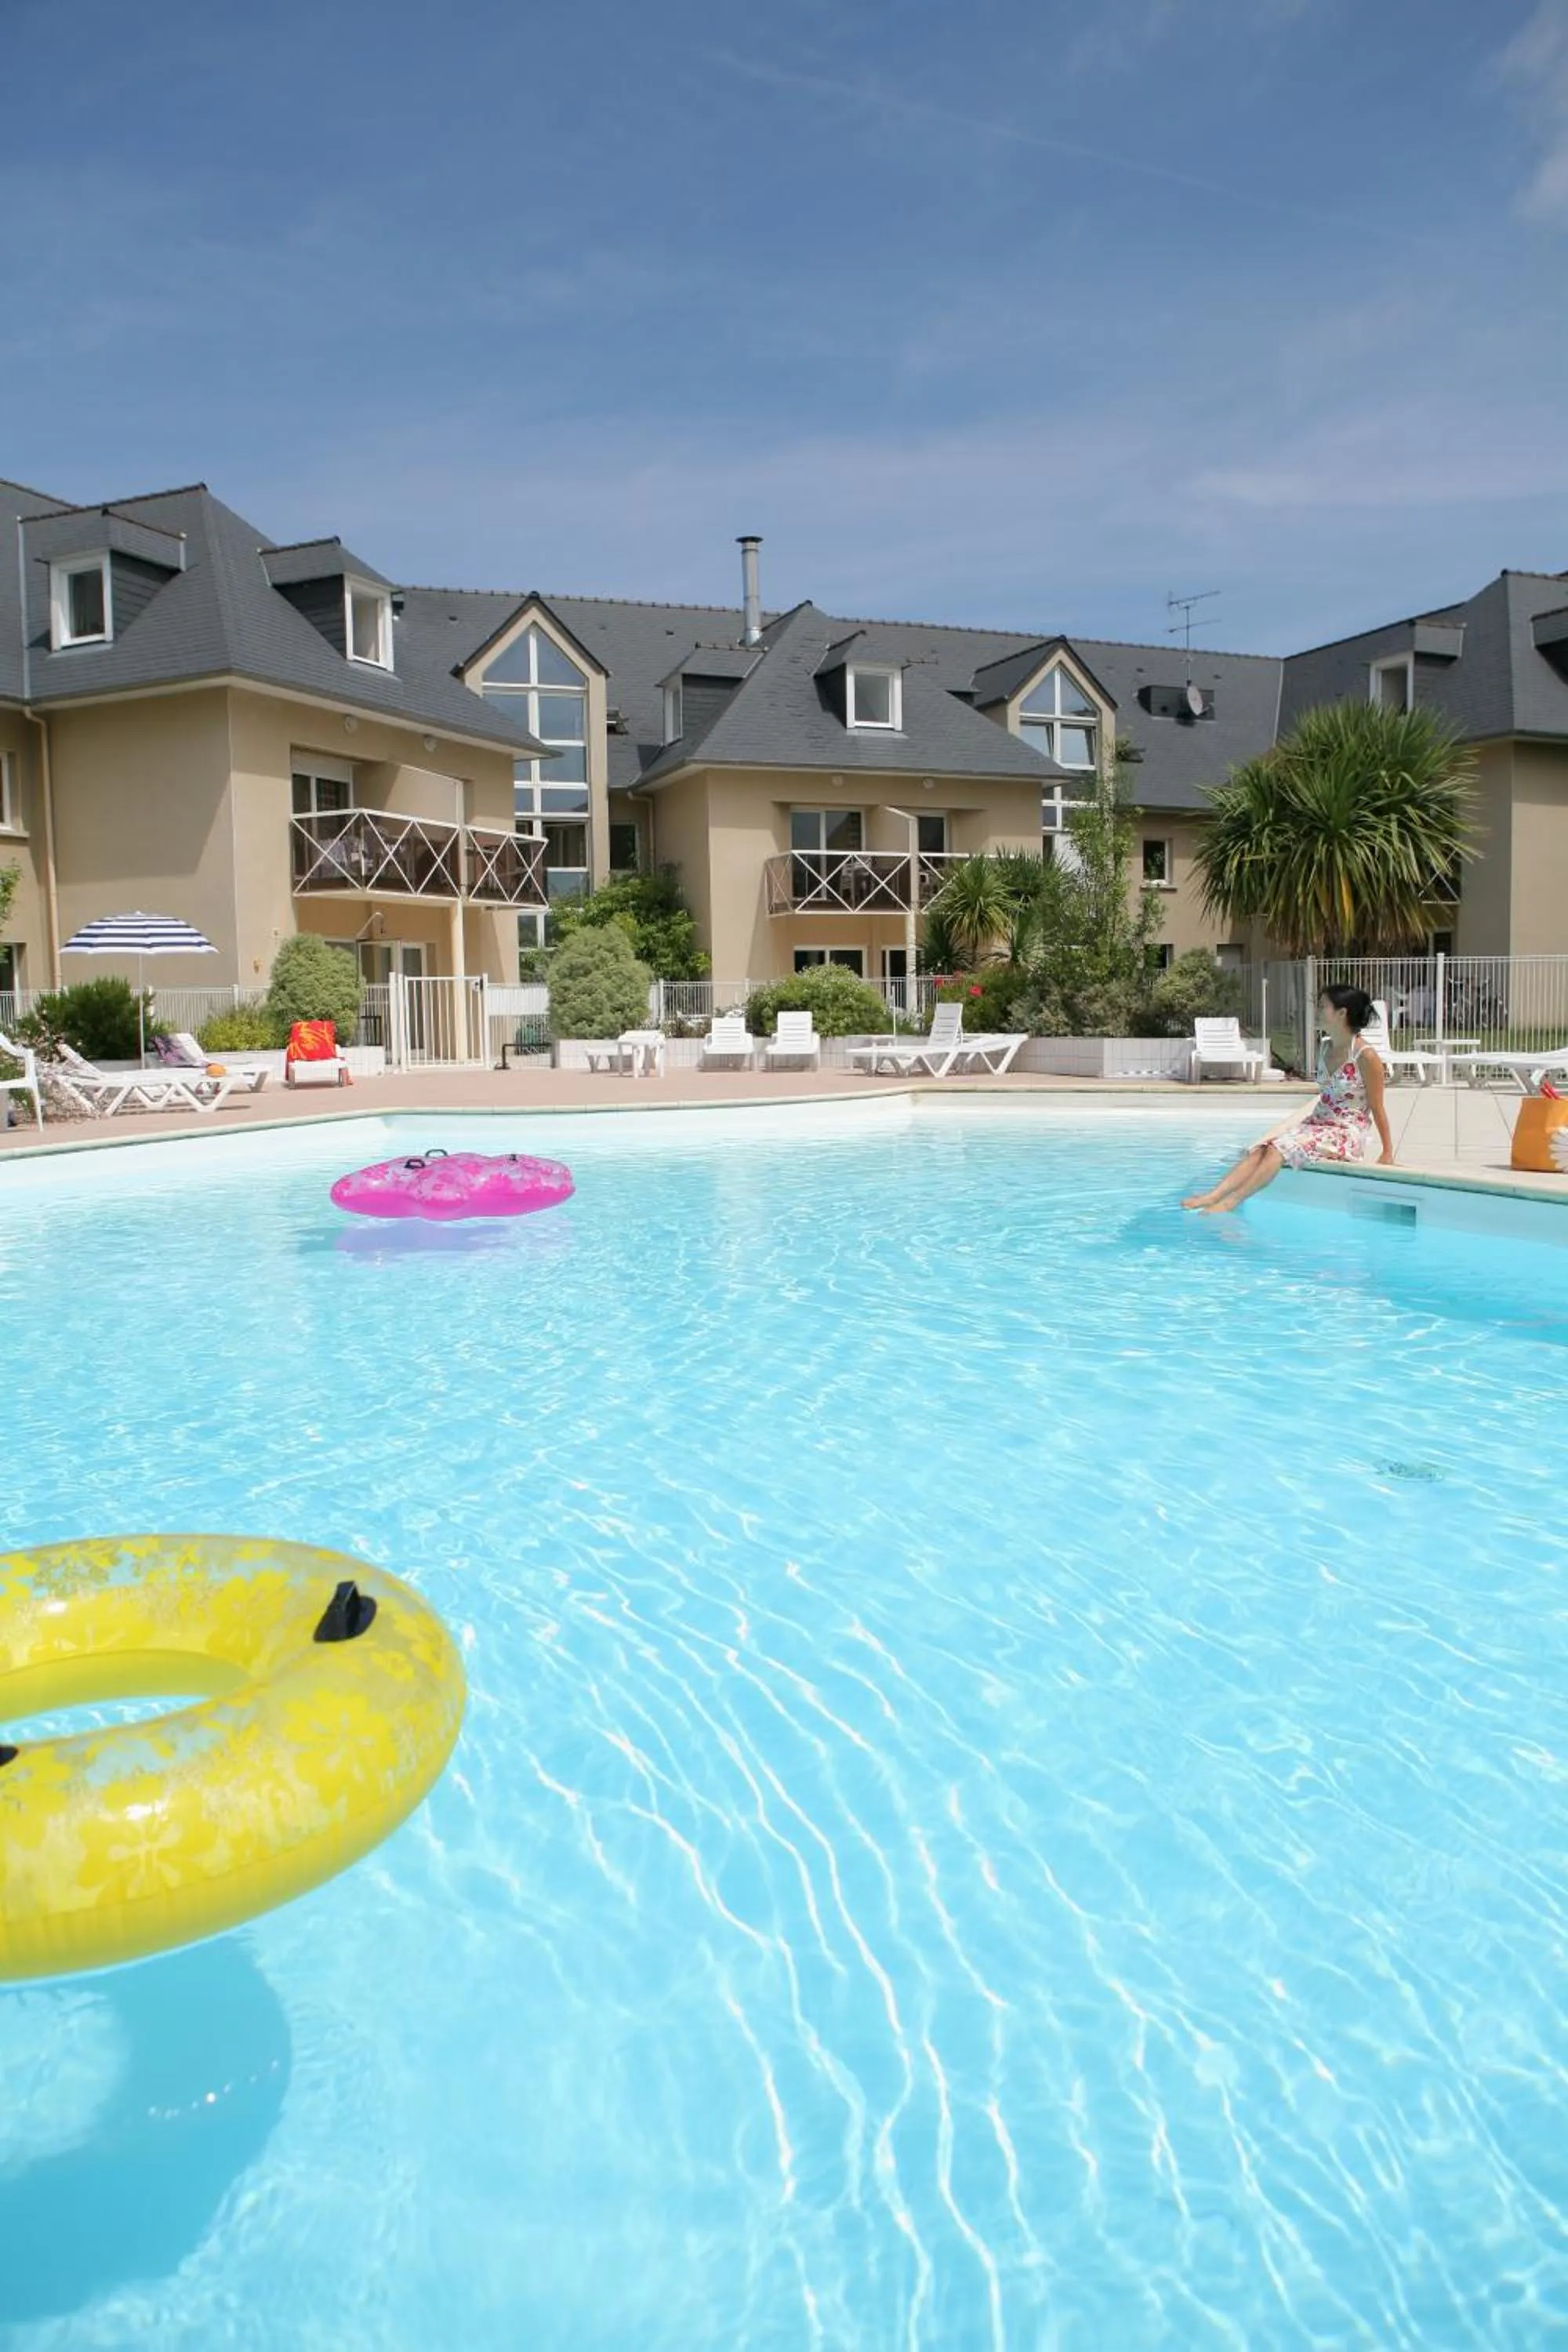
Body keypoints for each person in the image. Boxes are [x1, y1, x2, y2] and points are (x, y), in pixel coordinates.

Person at [1181, 985, 1394, 1212]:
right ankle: (1213, 1196)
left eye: (1323, 1007)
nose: (1318, 1012)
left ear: (1342, 1013)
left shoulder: (1365, 1056)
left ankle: (1231, 1202)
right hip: (1317, 1124)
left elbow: (1377, 1106)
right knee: (1262, 1148)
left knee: (1279, 1149)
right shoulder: (1324, 1047)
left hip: (1345, 1131)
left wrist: (1387, 1151)